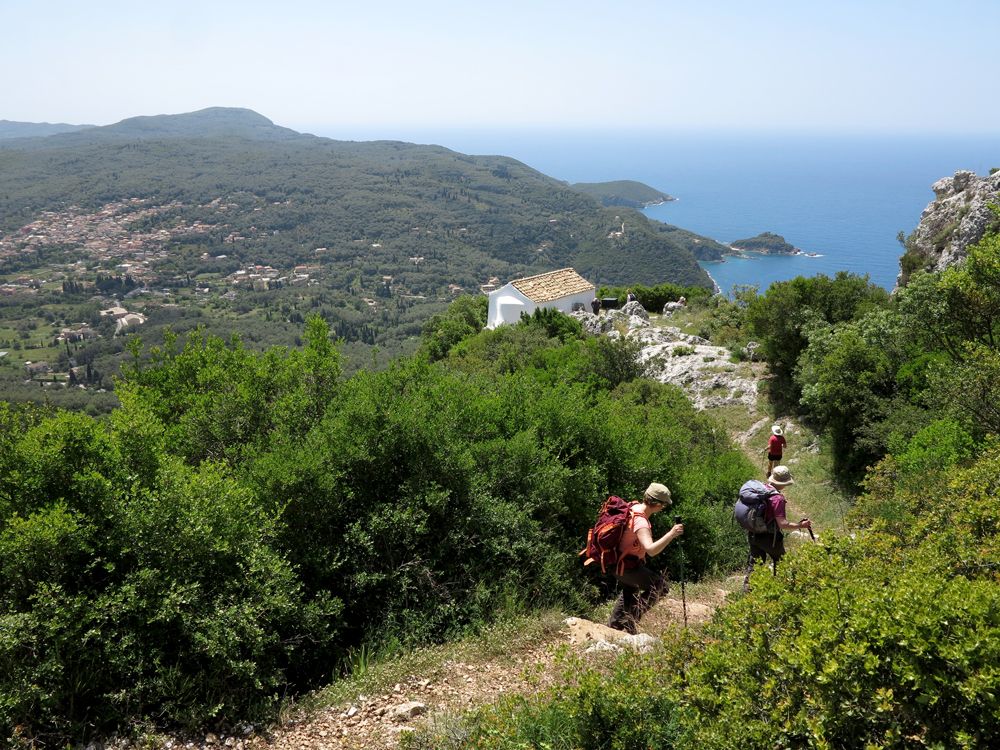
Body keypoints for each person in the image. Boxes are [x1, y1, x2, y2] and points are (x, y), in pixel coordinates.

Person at [607, 482, 684, 634]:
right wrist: (672, 534)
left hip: (615, 563)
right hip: (626, 567)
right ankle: (630, 620)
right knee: (661, 586)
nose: (663, 508)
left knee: (630, 588)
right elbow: (651, 550)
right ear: (656, 504)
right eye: (663, 505)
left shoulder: (632, 507)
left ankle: (614, 626)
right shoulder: (641, 521)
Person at [743, 465, 811, 592]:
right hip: (770, 538)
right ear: (784, 483)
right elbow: (783, 524)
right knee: (781, 563)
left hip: (753, 534)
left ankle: (747, 594)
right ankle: (780, 591)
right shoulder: (777, 498)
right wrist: (800, 525)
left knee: (755, 565)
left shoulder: (762, 489)